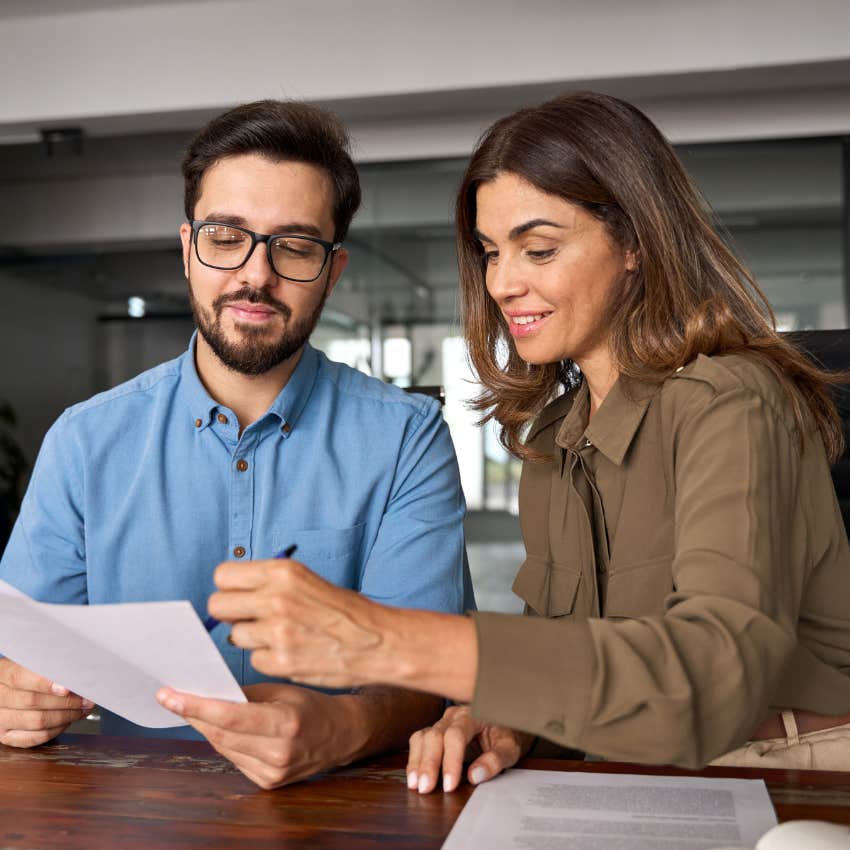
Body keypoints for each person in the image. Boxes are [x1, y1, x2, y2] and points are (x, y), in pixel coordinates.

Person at [199, 91, 850, 792]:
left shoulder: (733, 400)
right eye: (490, 252)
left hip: (787, 778)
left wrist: (382, 639)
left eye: (538, 248)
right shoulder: (556, 438)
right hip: (630, 773)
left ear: (635, 242)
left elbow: (708, 681)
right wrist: (505, 714)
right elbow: (579, 655)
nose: (503, 283)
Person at [0, 99, 474, 789]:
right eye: (227, 236)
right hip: (130, 811)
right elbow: (21, 647)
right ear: (187, 247)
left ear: (333, 270)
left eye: (295, 246)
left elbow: (429, 676)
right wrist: (13, 696)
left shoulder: (407, 439)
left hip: (343, 811)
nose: (257, 275)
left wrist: (340, 728)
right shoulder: (83, 442)